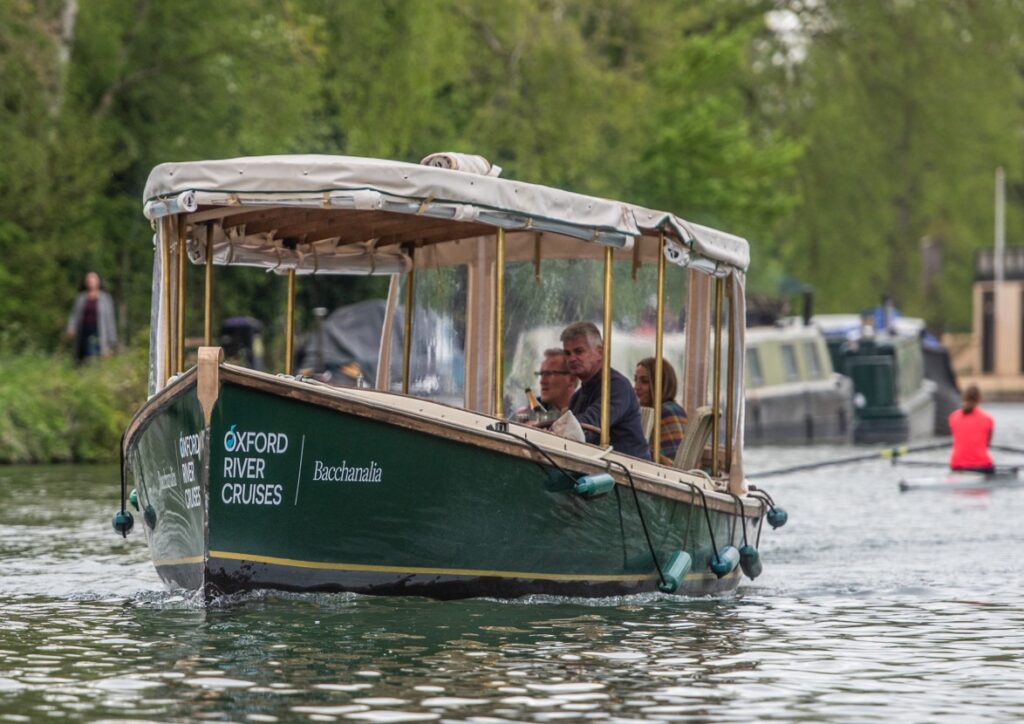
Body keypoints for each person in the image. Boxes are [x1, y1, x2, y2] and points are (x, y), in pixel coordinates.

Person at [561, 321, 650, 459]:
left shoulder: (616, 387)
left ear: (600, 352)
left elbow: (590, 424)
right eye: (567, 353)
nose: (571, 358)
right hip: (597, 468)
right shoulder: (577, 397)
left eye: (579, 351)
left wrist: (553, 427)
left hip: (628, 473)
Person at [634, 357, 688, 465]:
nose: (636, 387)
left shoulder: (666, 412)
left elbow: (673, 465)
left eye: (644, 381)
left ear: (661, 383)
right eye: (636, 380)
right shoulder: (660, 410)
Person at [65, 271, 118, 364]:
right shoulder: (81, 298)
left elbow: (110, 320)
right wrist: (71, 328)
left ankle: (92, 373)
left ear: (98, 281)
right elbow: (74, 315)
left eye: (93, 279)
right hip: (83, 332)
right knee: (80, 358)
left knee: (93, 356)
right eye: (88, 279)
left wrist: (112, 341)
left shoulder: (105, 298)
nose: (90, 281)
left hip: (98, 331)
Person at [948, 384, 994, 473]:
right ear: (979, 399)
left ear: (963, 398)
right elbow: (987, 444)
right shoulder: (988, 419)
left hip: (956, 465)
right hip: (981, 466)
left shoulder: (952, 417)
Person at [536, 348, 578, 412]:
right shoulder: (534, 410)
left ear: (571, 380)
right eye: (541, 374)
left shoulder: (589, 412)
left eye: (549, 374)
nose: (542, 382)